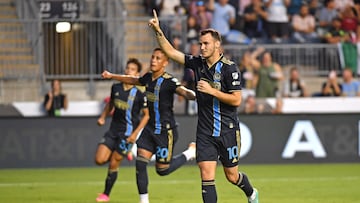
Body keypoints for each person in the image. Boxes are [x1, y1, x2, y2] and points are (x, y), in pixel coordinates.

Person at [148, 10, 259, 203]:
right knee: (207, 176)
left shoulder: (230, 68)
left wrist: (211, 91)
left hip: (227, 130)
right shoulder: (197, 63)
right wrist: (158, 31)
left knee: (232, 176)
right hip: (205, 132)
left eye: (206, 43)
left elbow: (236, 100)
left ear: (217, 44)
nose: (202, 47)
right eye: (200, 43)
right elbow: (171, 52)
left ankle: (251, 193)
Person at [101, 48, 197, 203]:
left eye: (158, 58)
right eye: (152, 57)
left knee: (162, 170)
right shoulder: (148, 78)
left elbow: (185, 92)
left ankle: (190, 152)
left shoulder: (169, 81)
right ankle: (144, 201)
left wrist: (197, 95)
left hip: (166, 132)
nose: (153, 60)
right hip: (149, 130)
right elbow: (132, 79)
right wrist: (112, 76)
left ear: (165, 63)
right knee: (140, 163)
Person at [95, 58, 150, 202]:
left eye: (132, 69)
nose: (128, 71)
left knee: (114, 162)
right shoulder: (116, 88)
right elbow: (110, 105)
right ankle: (124, 153)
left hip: (127, 135)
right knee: (99, 160)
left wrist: (134, 135)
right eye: (128, 68)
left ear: (137, 74)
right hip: (113, 131)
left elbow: (146, 116)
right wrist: (102, 117)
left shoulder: (139, 94)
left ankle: (105, 194)